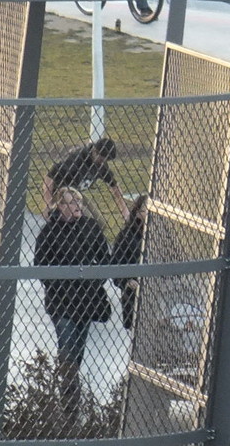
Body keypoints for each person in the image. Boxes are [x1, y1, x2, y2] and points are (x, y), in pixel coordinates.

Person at [34, 187, 114, 414]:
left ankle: (70, 403)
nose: (76, 205)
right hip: (62, 302)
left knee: (77, 352)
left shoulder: (90, 227)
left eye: (78, 201)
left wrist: (94, 281)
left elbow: (104, 260)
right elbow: (41, 265)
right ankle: (68, 401)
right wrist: (61, 286)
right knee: (67, 348)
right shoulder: (49, 232)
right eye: (70, 202)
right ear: (59, 206)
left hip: (86, 300)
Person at [42, 137, 127, 214]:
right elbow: (50, 176)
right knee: (87, 219)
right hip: (62, 195)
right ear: (94, 151)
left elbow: (114, 185)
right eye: (101, 159)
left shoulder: (101, 165)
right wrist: (48, 205)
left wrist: (124, 210)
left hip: (77, 194)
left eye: (106, 160)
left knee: (98, 222)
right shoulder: (77, 158)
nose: (102, 163)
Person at [110, 193, 149, 328]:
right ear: (137, 212)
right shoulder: (127, 235)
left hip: (156, 295)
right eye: (146, 210)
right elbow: (115, 265)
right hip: (133, 295)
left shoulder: (161, 236)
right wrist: (126, 281)